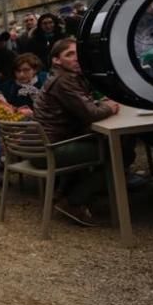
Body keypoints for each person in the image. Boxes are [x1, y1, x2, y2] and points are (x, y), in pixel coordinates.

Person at [32, 38, 118, 226]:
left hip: (44, 145)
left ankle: (66, 192)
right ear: (56, 60)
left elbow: (82, 107)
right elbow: (91, 114)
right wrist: (110, 107)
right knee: (118, 152)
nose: (76, 58)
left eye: (78, 53)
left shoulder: (63, 76)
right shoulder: (64, 80)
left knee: (108, 144)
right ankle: (73, 201)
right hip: (50, 150)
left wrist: (98, 104)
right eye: (69, 54)